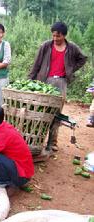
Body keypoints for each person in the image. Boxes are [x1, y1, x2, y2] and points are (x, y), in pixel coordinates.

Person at [29, 21, 87, 151]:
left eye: (58, 36)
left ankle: (52, 142)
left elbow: (82, 58)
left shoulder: (71, 47)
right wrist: (30, 79)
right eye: (53, 35)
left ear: (64, 35)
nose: (55, 38)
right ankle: (38, 141)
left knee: (57, 114)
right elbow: (36, 64)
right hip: (44, 81)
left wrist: (70, 70)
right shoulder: (46, 46)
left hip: (61, 82)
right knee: (41, 112)